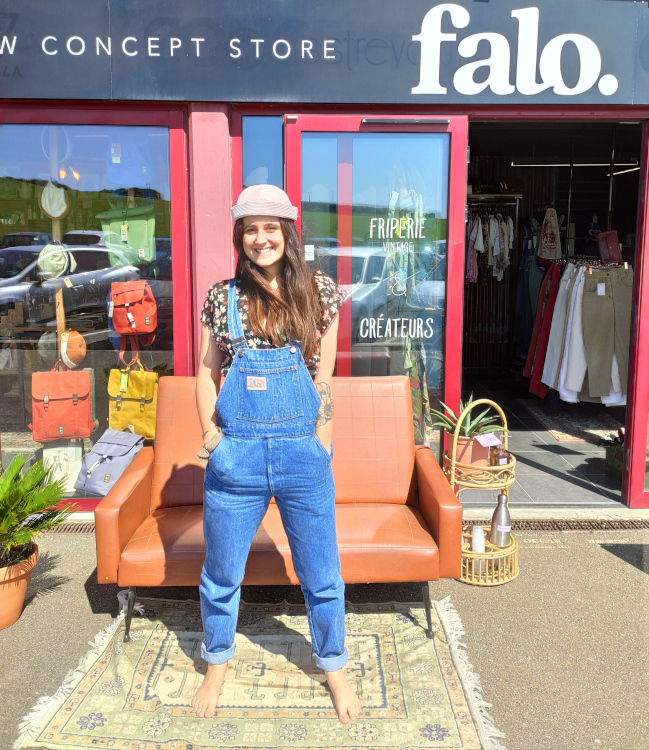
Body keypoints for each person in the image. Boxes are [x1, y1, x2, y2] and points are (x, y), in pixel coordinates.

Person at [192, 184, 361, 724]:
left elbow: (324, 376)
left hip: (301, 455)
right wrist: (211, 437)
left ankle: (332, 665)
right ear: (239, 236)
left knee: (322, 572)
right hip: (235, 455)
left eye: (271, 228)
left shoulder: (322, 292)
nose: (260, 239)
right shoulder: (222, 297)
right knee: (221, 571)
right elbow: (205, 372)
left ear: (287, 233)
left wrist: (323, 442)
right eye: (250, 228)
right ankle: (216, 662)